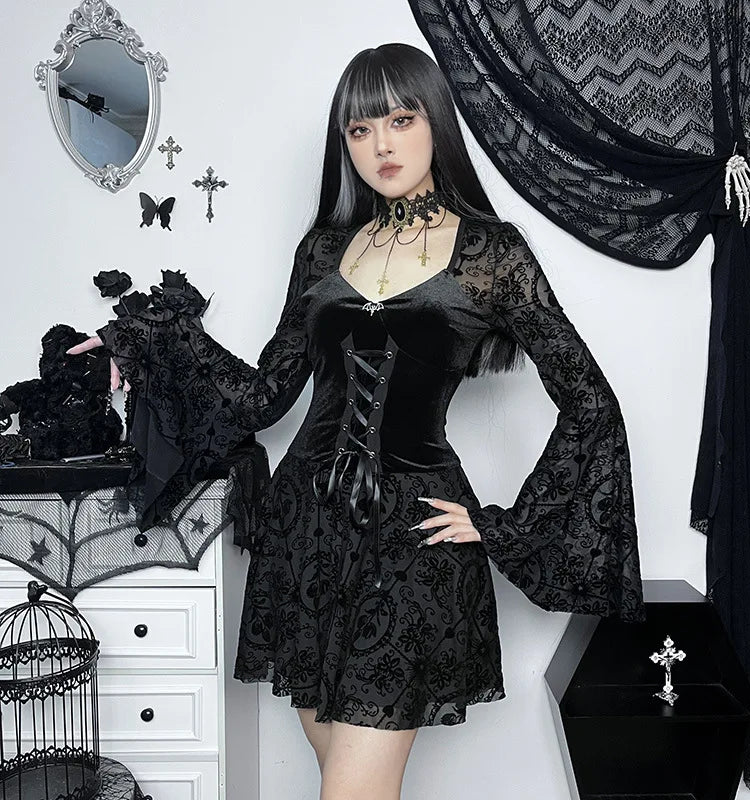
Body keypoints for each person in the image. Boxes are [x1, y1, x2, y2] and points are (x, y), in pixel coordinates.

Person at [68, 43, 644, 800]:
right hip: (304, 539)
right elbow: (264, 396)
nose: (381, 146)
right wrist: (145, 339)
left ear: (436, 123)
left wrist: (504, 524)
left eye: (401, 120)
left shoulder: (492, 254)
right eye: (360, 129)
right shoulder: (322, 251)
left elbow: (591, 401)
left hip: (412, 543)